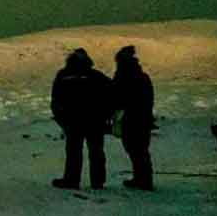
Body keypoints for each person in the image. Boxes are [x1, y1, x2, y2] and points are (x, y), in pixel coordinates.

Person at [50, 48, 111, 190]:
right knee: (96, 151)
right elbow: (111, 94)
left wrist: (61, 119)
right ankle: (98, 181)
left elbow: (56, 100)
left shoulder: (63, 75)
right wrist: (106, 115)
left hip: (73, 122)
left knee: (74, 151)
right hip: (94, 121)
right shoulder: (96, 76)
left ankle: (72, 180)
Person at [110, 45, 155, 190]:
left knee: (135, 149)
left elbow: (116, 98)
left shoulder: (122, 77)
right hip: (143, 117)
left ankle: (142, 180)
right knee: (141, 149)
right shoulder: (143, 77)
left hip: (129, 118)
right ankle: (143, 178)